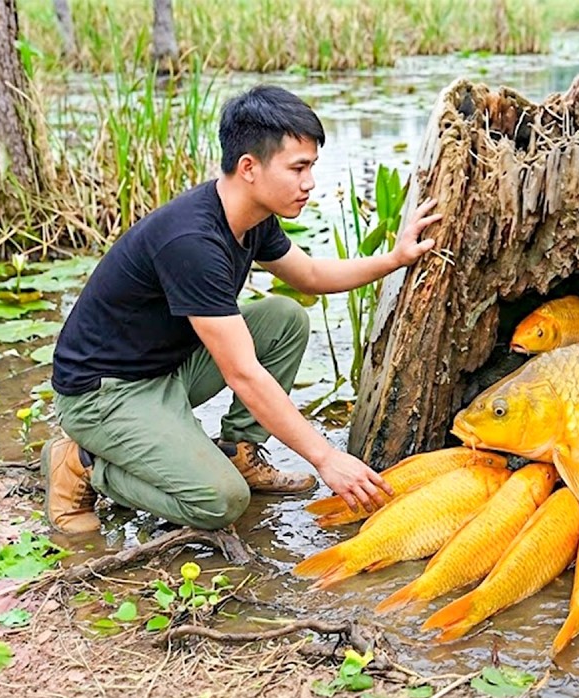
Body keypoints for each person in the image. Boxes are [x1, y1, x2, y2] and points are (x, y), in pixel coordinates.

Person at [40, 85, 441, 534]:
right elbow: (243, 373)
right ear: (249, 167)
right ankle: (82, 461)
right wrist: (327, 458)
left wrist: (395, 258)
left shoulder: (253, 217)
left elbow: (307, 275)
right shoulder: (192, 242)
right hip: (104, 394)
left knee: (285, 320)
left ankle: (239, 451)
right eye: (298, 168)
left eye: (312, 167)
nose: (309, 182)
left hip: (167, 368)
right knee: (221, 502)